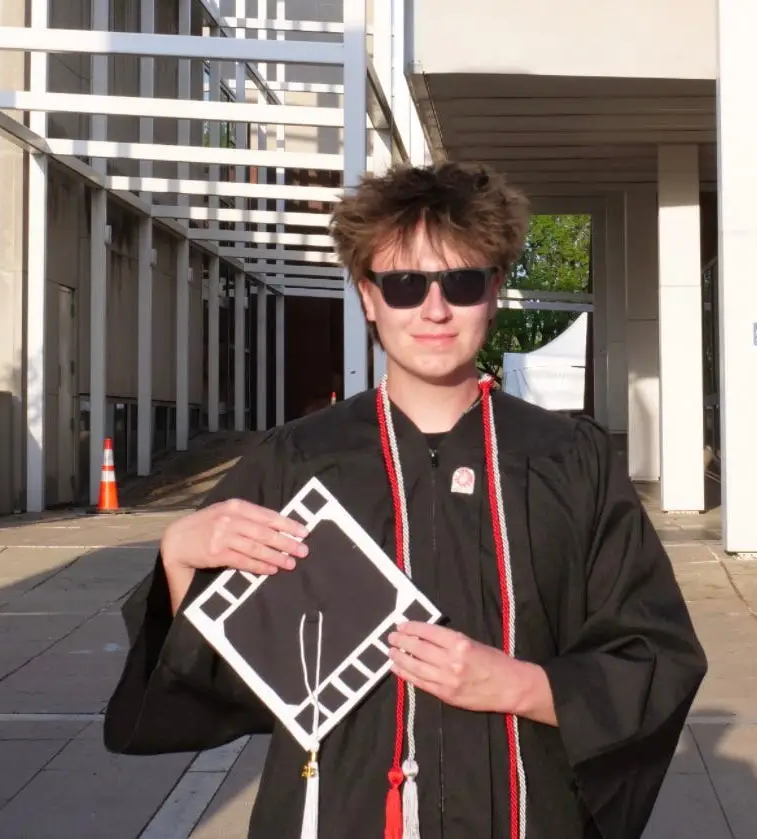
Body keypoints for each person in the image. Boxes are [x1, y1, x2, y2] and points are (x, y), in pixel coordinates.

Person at [103, 161, 707, 839]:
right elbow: (229, 680)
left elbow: (654, 655)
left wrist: (518, 685)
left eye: (462, 282)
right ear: (368, 296)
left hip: (522, 812)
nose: (434, 309)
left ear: (494, 291)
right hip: (341, 812)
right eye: (404, 284)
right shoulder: (299, 458)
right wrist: (181, 558)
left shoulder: (568, 460)